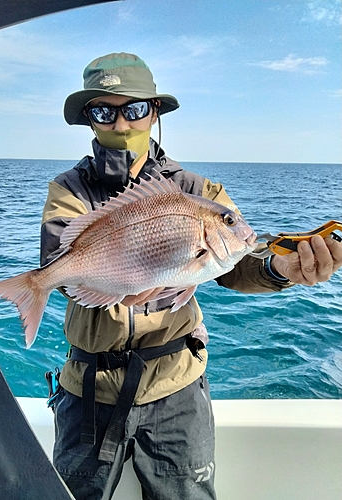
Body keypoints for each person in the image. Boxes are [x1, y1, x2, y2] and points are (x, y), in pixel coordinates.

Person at [41, 52, 342, 500]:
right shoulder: (69, 189)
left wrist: (281, 269)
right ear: (90, 120)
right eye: (104, 111)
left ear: (154, 112)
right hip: (90, 391)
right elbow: (62, 269)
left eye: (135, 109)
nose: (121, 125)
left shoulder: (201, 195)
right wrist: (123, 270)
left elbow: (240, 263)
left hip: (177, 389)